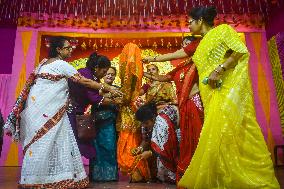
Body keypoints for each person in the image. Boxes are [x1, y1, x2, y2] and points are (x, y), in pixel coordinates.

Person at [177, 6, 280, 188]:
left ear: (200, 21)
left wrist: (220, 69)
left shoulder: (222, 30)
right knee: (216, 137)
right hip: (208, 97)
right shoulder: (201, 44)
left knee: (229, 132)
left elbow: (239, 50)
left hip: (223, 91)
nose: (188, 26)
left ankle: (248, 178)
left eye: (190, 22)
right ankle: (222, 179)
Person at [3, 36, 122, 188]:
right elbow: (84, 81)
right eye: (67, 47)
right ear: (58, 50)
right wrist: (110, 88)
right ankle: (47, 179)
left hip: (38, 110)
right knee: (47, 142)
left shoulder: (43, 64)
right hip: (49, 111)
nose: (71, 49)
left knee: (48, 143)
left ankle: (39, 178)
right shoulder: (61, 64)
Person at [143, 36, 204, 182]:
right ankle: (187, 170)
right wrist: (141, 72)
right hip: (183, 107)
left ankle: (201, 171)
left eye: (188, 45)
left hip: (195, 104)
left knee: (197, 137)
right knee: (185, 139)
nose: (186, 48)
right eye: (184, 46)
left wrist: (151, 58)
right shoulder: (181, 67)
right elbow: (163, 78)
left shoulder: (200, 64)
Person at [68, 52, 122, 181]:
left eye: (109, 73)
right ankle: (69, 175)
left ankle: (74, 175)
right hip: (71, 112)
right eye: (104, 72)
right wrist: (116, 100)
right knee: (73, 144)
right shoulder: (85, 74)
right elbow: (95, 99)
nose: (105, 75)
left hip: (85, 115)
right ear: (96, 67)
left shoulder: (96, 79)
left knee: (105, 147)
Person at [116, 43, 150, 183]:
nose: (128, 61)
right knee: (133, 143)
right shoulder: (134, 80)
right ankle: (137, 174)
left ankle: (137, 174)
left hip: (129, 120)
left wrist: (116, 97)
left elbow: (126, 98)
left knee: (129, 145)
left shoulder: (131, 79)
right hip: (132, 118)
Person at [135, 102, 179, 183]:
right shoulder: (145, 123)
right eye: (143, 123)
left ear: (154, 118)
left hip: (180, 132)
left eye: (146, 123)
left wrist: (150, 153)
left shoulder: (161, 121)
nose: (144, 125)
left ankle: (173, 174)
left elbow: (167, 146)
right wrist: (140, 148)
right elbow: (146, 140)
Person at [90, 67, 119, 182]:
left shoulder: (117, 89)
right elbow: (93, 101)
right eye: (107, 73)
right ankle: (96, 176)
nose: (109, 76)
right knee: (96, 149)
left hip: (109, 123)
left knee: (109, 147)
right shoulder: (96, 87)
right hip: (96, 123)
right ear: (103, 74)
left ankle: (110, 176)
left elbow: (120, 103)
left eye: (112, 74)